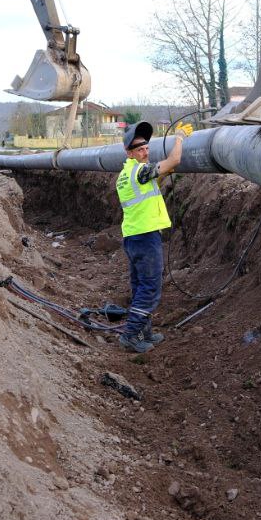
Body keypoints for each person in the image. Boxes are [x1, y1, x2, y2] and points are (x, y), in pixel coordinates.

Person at [115, 120, 182, 353]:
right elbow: (174, 160)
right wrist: (180, 138)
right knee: (150, 288)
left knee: (140, 286)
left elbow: (151, 182)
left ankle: (145, 332)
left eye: (146, 147)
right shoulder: (140, 171)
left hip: (133, 237)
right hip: (144, 237)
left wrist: (162, 172)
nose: (144, 152)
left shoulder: (126, 174)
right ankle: (131, 335)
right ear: (129, 152)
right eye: (139, 149)